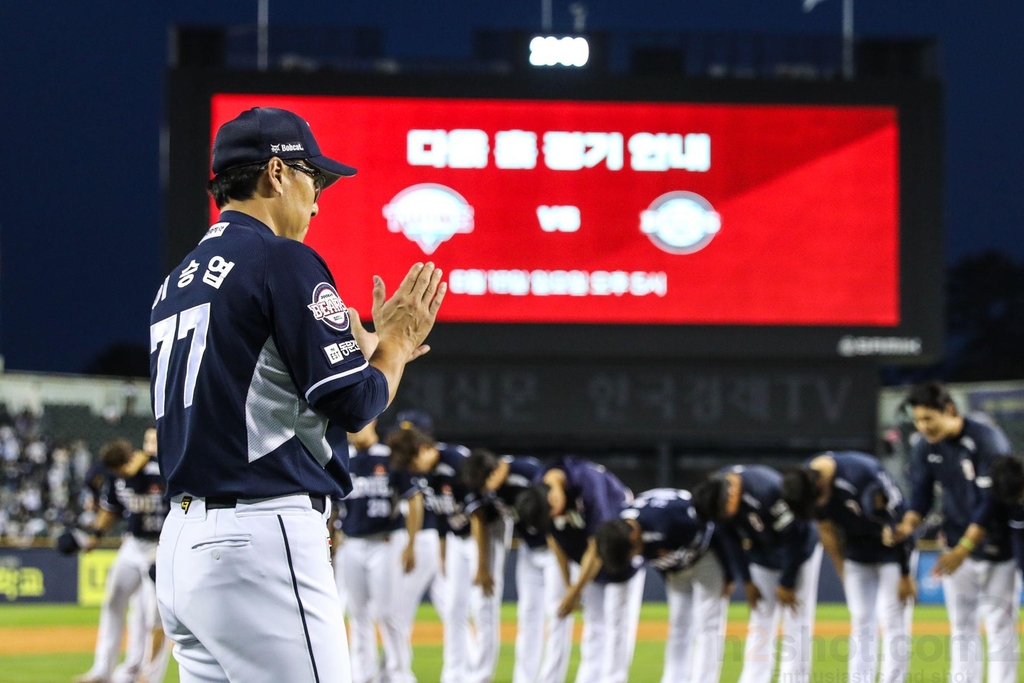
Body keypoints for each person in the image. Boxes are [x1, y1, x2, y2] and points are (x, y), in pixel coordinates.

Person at [151, 106, 445, 683]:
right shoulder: (280, 259)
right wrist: (393, 347)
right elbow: (357, 405)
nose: (318, 200)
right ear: (277, 173)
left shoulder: (176, 280)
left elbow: (260, 390)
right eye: (314, 178)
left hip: (183, 543)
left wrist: (358, 352)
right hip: (260, 535)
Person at [893, 382, 1017, 683]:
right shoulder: (925, 446)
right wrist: (906, 525)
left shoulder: (986, 439)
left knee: (999, 625)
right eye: (918, 420)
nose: (922, 427)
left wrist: (964, 547)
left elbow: (993, 500)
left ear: (949, 410)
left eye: (928, 419)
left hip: (996, 545)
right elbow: (920, 497)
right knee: (962, 626)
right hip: (955, 543)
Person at [783, 452, 916, 683]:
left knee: (894, 620)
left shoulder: (863, 472)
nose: (819, 505)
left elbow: (900, 520)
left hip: (891, 550)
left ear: (822, 483)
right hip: (856, 552)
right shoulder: (805, 482)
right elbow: (825, 530)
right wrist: (842, 570)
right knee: (861, 620)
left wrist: (905, 573)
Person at [388, 426, 506, 683]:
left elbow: (479, 516)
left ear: (422, 450)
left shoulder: (455, 462)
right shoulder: (427, 474)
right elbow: (442, 517)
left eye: (411, 463)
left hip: (485, 534)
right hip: (456, 537)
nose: (410, 470)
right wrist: (443, 555)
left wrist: (482, 566)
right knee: (454, 608)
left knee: (484, 605)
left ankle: (481, 676)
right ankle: (454, 675)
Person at [515, 456, 644, 683]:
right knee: (594, 625)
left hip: (619, 555)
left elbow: (597, 547)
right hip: (583, 553)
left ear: (554, 495)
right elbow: (554, 539)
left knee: (617, 628)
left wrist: (574, 592)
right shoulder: (540, 491)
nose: (555, 515)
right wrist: (568, 586)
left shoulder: (588, 481)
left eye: (554, 511)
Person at [692, 465, 823, 683]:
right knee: (761, 617)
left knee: (796, 617)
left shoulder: (768, 489)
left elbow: (797, 535)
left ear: (733, 494)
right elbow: (730, 539)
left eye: (725, 511)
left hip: (799, 552)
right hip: (762, 554)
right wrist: (746, 580)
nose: (724, 516)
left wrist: (787, 582)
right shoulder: (717, 493)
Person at [596, 488, 732, 683]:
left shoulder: (674, 521)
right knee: (678, 625)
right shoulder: (618, 531)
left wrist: (729, 574)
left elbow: (716, 529)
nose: (636, 556)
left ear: (635, 536)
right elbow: (658, 560)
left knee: (708, 625)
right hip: (676, 570)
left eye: (634, 551)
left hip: (705, 558)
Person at [461, 449, 573, 683]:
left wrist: (567, 578)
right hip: (530, 549)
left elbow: (554, 522)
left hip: (557, 550)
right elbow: (481, 519)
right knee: (528, 616)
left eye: (484, 485)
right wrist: (482, 567)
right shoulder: (490, 485)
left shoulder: (529, 474)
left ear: (495, 471)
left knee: (558, 615)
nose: (484, 492)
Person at [75, 431, 171, 683]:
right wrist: (95, 535)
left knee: (155, 616)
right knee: (113, 601)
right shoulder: (116, 479)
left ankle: (148, 677)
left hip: (160, 545)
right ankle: (102, 670)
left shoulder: (160, 469)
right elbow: (111, 509)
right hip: (133, 544)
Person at [329, 421, 408, 683]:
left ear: (372, 421)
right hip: (351, 543)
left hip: (384, 542)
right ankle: (363, 676)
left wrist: (411, 542)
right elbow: (335, 508)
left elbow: (413, 499)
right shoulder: (341, 458)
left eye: (355, 424)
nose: (351, 430)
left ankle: (399, 674)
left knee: (388, 613)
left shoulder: (389, 457)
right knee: (358, 614)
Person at [387, 411, 448, 681]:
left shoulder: (441, 461)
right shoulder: (407, 464)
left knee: (397, 611)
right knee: (451, 608)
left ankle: (396, 674)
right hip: (429, 540)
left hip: (424, 540)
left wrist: (410, 545)